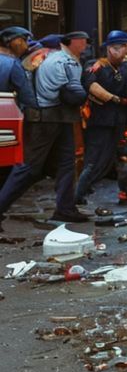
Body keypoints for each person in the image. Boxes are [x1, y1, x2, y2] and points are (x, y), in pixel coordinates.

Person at [0, 31, 90, 229]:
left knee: (66, 163)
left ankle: (65, 208)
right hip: (47, 118)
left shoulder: (35, 60)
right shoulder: (48, 61)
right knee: (29, 167)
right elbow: (30, 93)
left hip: (60, 118)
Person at [75, 30, 127, 206]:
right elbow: (91, 86)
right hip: (101, 123)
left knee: (121, 157)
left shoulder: (124, 68)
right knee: (94, 162)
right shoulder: (97, 66)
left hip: (116, 122)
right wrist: (117, 99)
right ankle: (76, 195)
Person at [0, 26, 37, 109]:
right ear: (18, 41)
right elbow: (25, 95)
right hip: (5, 111)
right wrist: (34, 109)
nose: (27, 47)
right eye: (25, 41)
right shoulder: (13, 64)